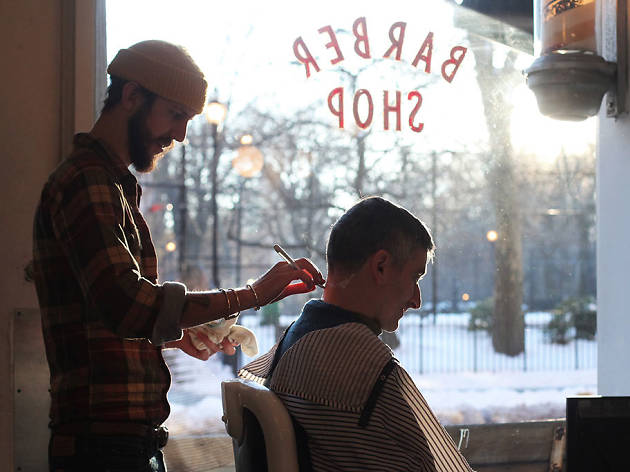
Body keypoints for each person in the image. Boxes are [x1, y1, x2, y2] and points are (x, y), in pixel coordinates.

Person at [31, 40, 324, 472]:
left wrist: (174, 332)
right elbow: (126, 304)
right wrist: (251, 294)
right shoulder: (85, 182)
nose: (181, 135)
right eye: (175, 114)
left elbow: (101, 312)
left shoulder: (110, 186)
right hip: (102, 450)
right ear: (131, 96)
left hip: (117, 445)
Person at [240, 196, 473, 471]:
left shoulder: (293, 340)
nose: (416, 300)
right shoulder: (361, 365)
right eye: (415, 278)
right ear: (381, 266)